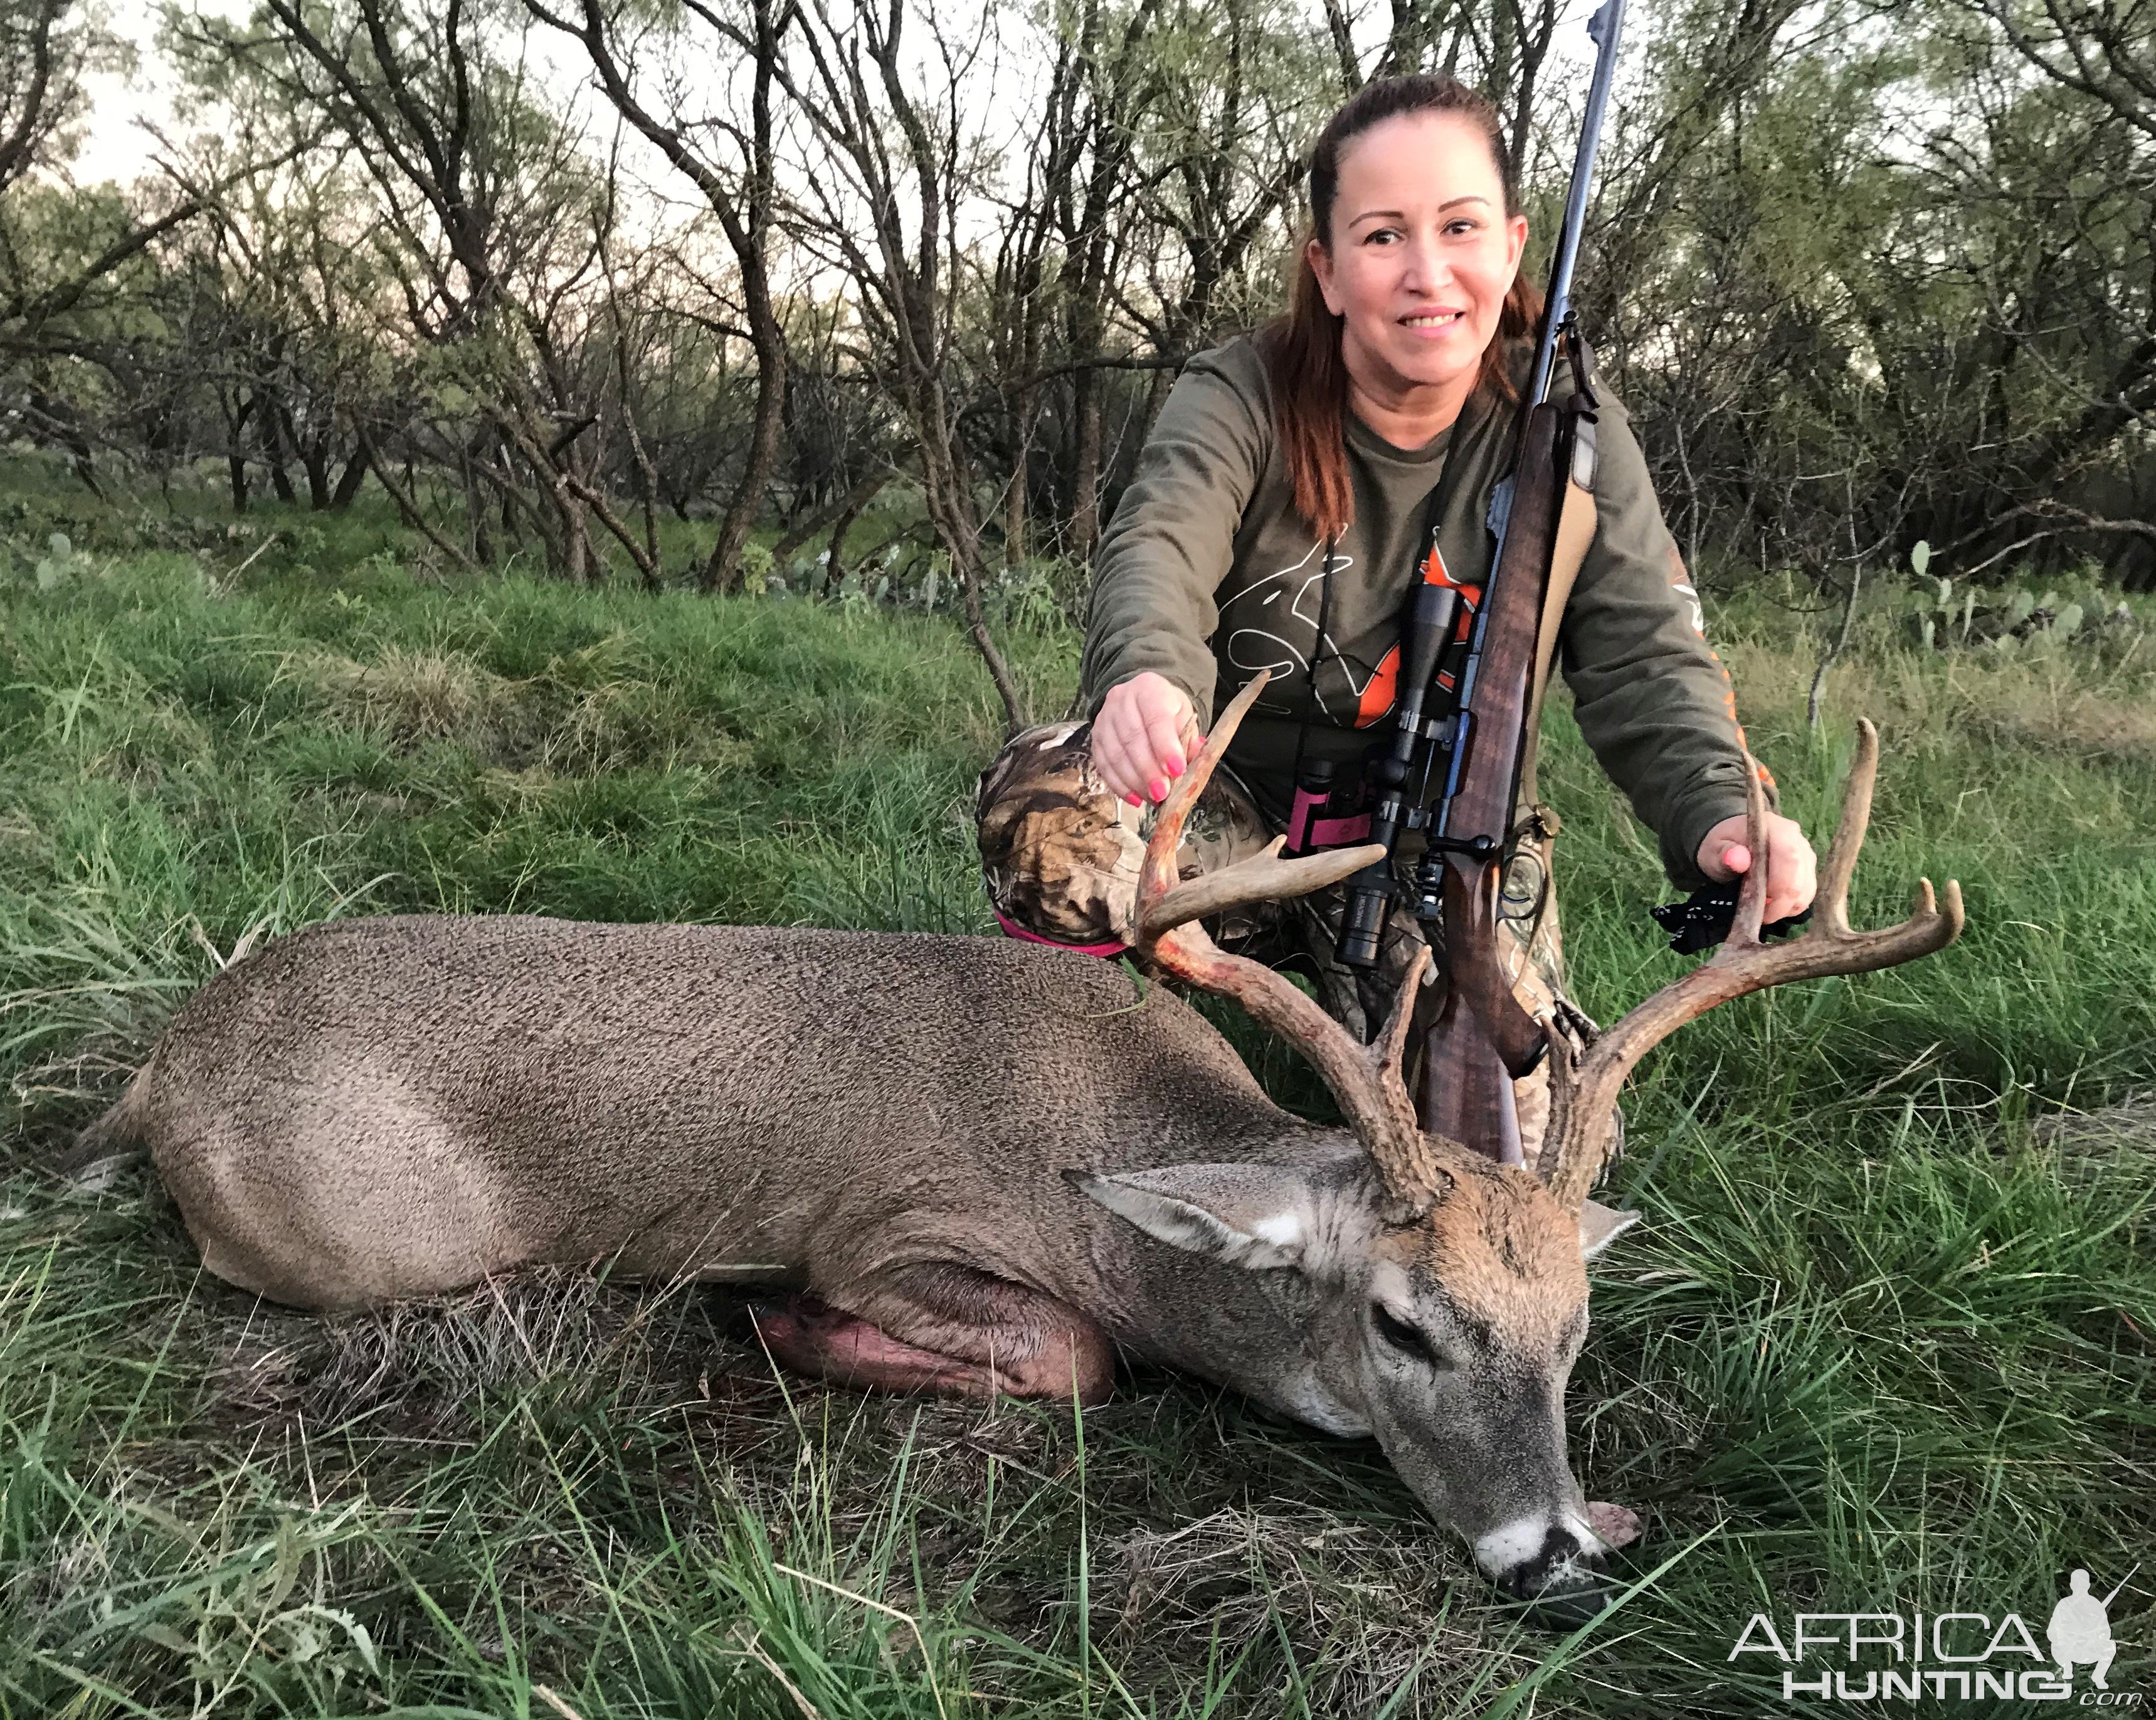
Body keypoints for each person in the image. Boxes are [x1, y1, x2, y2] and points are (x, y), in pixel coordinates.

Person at [976, 73, 1819, 1154]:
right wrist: (1145, 677)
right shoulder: (1242, 390)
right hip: (1233, 813)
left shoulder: (1569, 435)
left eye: (1459, 227)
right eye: (1382, 236)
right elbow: (1158, 542)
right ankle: (1080, 1092)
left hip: (1437, 844)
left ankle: (1379, 1015)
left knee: (1533, 1138)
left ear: (1512, 246)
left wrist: (1718, 815)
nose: (1428, 272)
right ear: (1326, 270)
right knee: (1059, 816)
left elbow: (1646, 653)